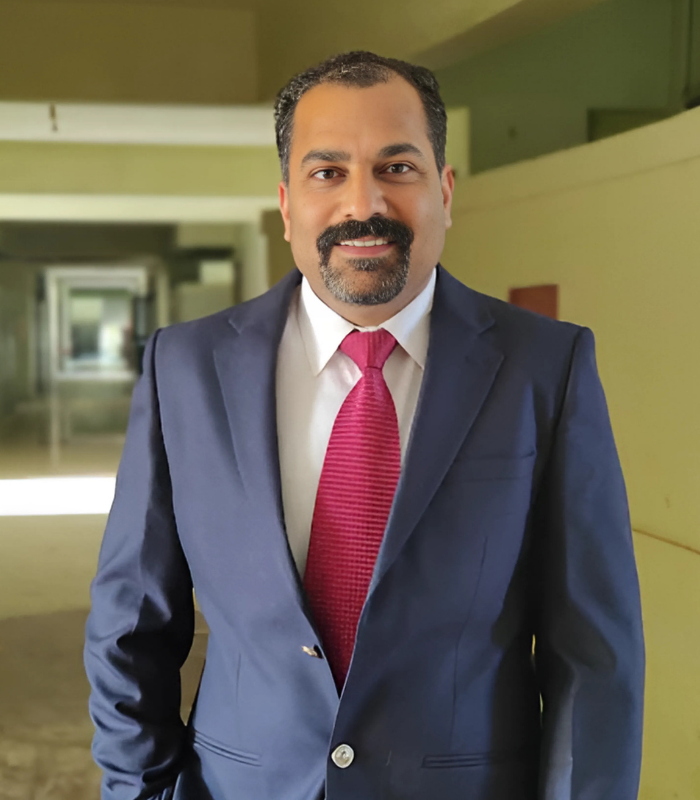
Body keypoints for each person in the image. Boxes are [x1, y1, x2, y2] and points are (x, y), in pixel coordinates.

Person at [84, 51, 645, 800]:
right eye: (327, 173)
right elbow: (131, 629)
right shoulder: (184, 368)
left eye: (398, 167)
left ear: (444, 192)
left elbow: (593, 658)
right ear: (286, 204)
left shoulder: (547, 366)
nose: (363, 203)